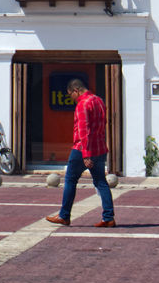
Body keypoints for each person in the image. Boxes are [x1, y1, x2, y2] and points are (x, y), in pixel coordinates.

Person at [46, 77, 115, 227]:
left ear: (76, 90)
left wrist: (86, 154)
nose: (71, 98)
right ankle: (108, 217)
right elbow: (102, 125)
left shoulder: (82, 104)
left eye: (70, 94)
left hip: (82, 149)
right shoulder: (99, 101)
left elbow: (84, 131)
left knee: (70, 180)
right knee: (101, 182)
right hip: (99, 148)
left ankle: (64, 215)